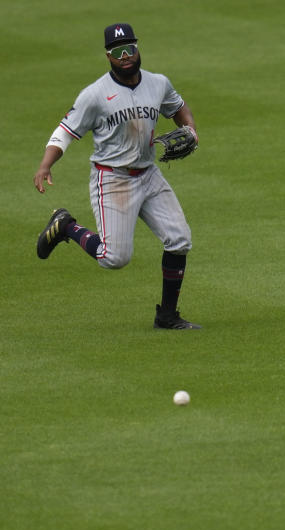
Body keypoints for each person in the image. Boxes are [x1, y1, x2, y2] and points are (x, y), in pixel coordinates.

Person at [33, 22, 201, 329]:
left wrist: (190, 129)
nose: (125, 56)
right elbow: (65, 132)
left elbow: (179, 107)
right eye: (118, 52)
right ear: (108, 57)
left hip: (149, 176)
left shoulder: (158, 83)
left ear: (137, 49)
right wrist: (46, 165)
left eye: (130, 49)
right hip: (113, 179)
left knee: (179, 240)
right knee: (114, 258)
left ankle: (167, 316)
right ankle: (66, 226)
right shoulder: (95, 95)